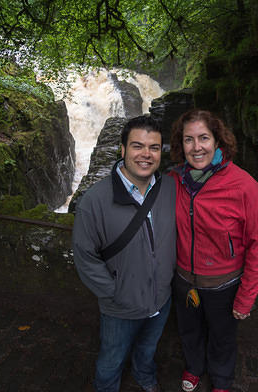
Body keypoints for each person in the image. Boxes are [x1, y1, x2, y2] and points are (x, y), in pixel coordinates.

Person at [168, 109, 258, 392]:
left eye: (204, 137)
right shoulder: (174, 180)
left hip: (224, 284)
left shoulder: (243, 186)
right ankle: (194, 368)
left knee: (222, 336)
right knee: (189, 330)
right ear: (181, 144)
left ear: (217, 141)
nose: (196, 146)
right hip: (184, 280)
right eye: (189, 140)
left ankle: (222, 380)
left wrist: (245, 298)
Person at [72, 115, 176, 392]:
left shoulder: (170, 188)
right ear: (122, 149)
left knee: (148, 348)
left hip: (161, 297)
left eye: (153, 147)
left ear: (160, 152)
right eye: (137, 146)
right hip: (120, 305)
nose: (146, 154)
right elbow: (85, 257)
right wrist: (114, 291)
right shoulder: (94, 200)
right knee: (111, 359)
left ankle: (145, 376)